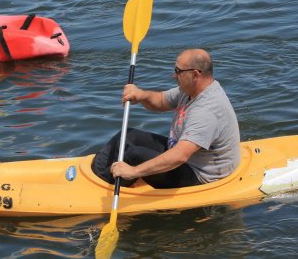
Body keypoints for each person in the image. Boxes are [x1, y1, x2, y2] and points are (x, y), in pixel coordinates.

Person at [91, 48, 240, 189]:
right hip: (186, 157)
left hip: (200, 175)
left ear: (195, 75)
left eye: (178, 71)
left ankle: (104, 190)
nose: (173, 75)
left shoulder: (207, 111)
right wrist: (141, 95)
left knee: (134, 156)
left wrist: (133, 172)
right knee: (128, 136)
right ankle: (97, 176)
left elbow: (180, 156)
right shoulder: (190, 90)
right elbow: (161, 101)